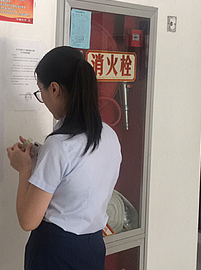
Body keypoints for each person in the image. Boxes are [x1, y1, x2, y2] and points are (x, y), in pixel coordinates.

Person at [7, 46, 122, 270]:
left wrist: (24, 169)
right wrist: (40, 154)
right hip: (93, 247)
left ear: (55, 89)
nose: (43, 99)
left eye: (40, 91)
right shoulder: (109, 135)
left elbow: (28, 220)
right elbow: (78, 174)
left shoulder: (59, 146)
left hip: (56, 252)